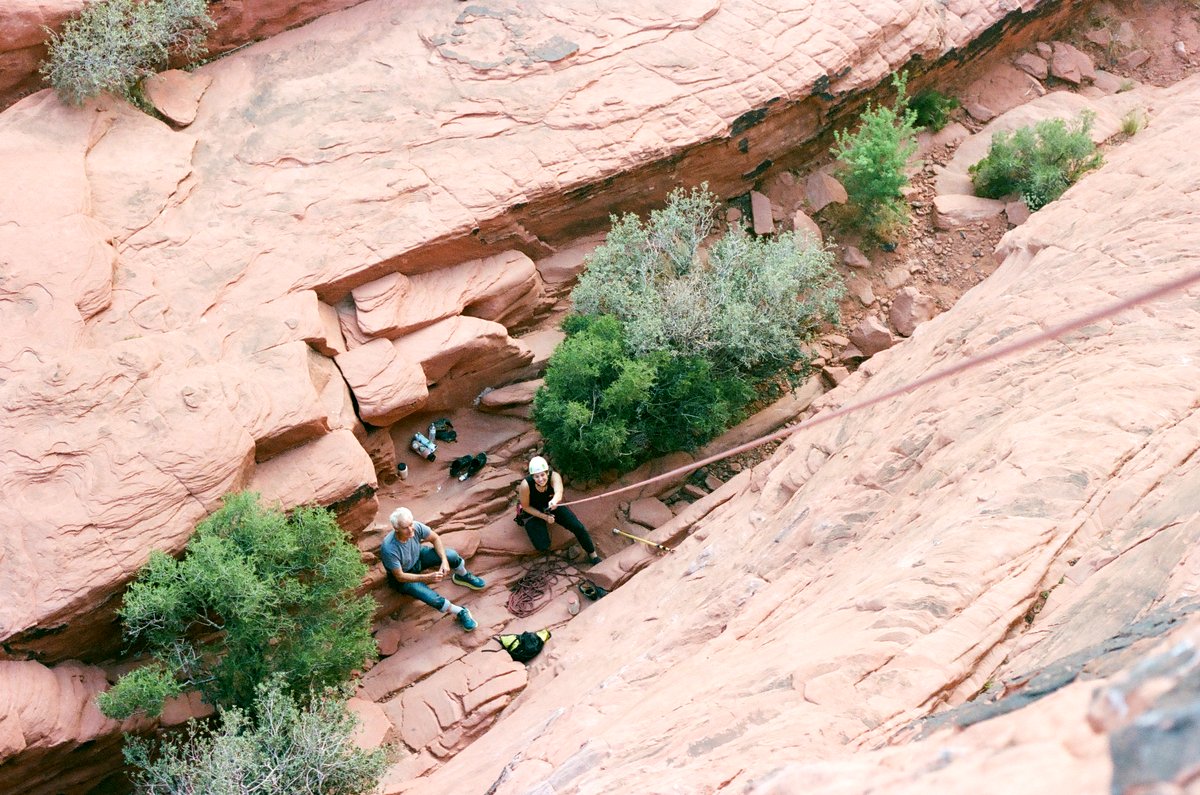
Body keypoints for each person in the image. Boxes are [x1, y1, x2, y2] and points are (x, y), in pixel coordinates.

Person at [379, 507, 485, 631]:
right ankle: (460, 611)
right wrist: (427, 578)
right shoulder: (389, 548)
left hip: (418, 556)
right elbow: (400, 576)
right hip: (403, 577)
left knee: (451, 555)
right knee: (431, 597)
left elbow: (435, 538)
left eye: (411, 524)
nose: (411, 529)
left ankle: (462, 575)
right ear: (396, 529)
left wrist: (444, 561)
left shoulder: (416, 527)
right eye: (405, 528)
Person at [518, 456, 602, 565]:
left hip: (551, 504)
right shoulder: (525, 485)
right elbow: (526, 506)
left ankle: (592, 554)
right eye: (536, 476)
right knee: (542, 545)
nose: (540, 479)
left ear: (547, 472)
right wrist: (544, 517)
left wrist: (554, 501)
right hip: (534, 507)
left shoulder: (554, 476)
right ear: (532, 476)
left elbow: (558, 492)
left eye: (542, 475)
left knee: (578, 527)